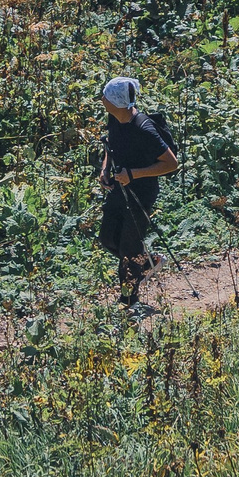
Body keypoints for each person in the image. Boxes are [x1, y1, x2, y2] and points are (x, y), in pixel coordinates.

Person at [96, 76, 178, 307]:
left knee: (128, 249)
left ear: (117, 103)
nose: (102, 99)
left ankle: (128, 302)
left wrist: (134, 174)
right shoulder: (114, 119)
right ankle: (148, 263)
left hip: (141, 193)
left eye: (106, 97)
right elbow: (110, 147)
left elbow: (171, 164)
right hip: (119, 189)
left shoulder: (144, 129)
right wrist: (105, 170)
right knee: (108, 238)